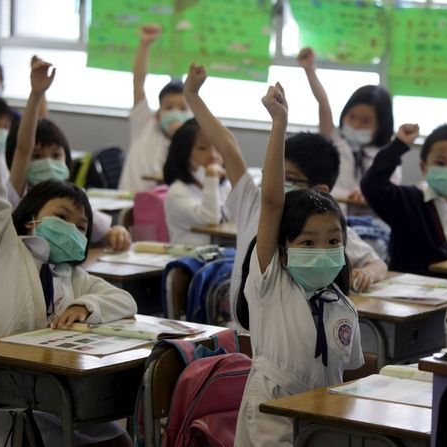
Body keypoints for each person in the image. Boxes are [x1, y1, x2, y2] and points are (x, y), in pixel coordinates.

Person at [0, 71, 136, 447]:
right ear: (31, 215)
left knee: (119, 440)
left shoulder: (72, 277)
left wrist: (85, 306)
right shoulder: (2, 245)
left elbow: (125, 300)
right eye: (62, 217)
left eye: (82, 226)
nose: (74, 231)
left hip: (51, 388)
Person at [181, 63, 388, 323]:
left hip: (304, 337)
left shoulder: (325, 226)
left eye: (288, 178)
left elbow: (378, 263)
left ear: (319, 191)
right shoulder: (254, 203)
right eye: (273, 174)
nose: (276, 184)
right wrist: (192, 96)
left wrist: (368, 272)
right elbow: (228, 145)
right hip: (248, 336)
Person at [233, 82, 363, 446]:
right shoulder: (271, 282)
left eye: (333, 241)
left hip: (324, 412)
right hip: (273, 406)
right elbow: (273, 201)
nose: (323, 250)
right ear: (284, 248)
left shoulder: (340, 303)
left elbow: (347, 372)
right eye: (308, 242)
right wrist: (279, 124)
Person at [5, 56, 131, 251]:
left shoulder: (71, 199)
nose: (48, 162)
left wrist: (118, 232)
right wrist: (36, 94)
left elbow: (106, 233)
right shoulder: (16, 196)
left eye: (56, 156)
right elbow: (24, 147)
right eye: (37, 156)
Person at [361, 123, 447, 274]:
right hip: (404, 293)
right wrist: (399, 145)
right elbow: (372, 185)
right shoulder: (406, 201)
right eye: (440, 163)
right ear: (424, 167)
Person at [297, 47, 397, 201]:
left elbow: (390, 193)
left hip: (370, 219)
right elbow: (323, 103)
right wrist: (309, 70)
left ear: (381, 126)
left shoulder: (386, 156)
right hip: (332, 212)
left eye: (365, 121)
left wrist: (366, 197)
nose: (356, 125)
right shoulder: (335, 140)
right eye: (352, 117)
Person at [118, 24, 192, 192]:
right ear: (158, 114)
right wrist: (145, 44)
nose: (175, 112)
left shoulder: (191, 143)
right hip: (131, 205)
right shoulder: (145, 124)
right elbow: (138, 83)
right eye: (169, 107)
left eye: (182, 108)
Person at [162, 117, 230, 244]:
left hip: (219, 257)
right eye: (203, 148)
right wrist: (211, 176)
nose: (213, 155)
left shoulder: (222, 186)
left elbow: (239, 216)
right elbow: (211, 218)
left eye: (218, 147)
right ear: (184, 153)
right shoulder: (177, 192)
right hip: (189, 260)